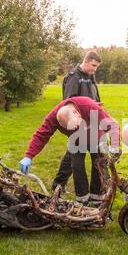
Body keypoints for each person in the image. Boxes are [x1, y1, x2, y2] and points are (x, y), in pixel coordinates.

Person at [19, 97, 119, 206]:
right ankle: (82, 200)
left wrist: (115, 146)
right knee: (77, 166)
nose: (74, 129)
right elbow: (41, 135)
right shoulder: (54, 117)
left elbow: (112, 125)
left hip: (97, 136)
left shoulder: (90, 107)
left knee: (99, 165)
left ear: (76, 112)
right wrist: (28, 156)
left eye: (75, 126)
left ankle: (97, 199)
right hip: (75, 141)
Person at [52, 51, 102, 197]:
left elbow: (94, 97)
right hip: (78, 124)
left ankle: (59, 185)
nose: (95, 69)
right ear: (85, 61)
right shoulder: (74, 77)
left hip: (92, 122)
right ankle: (60, 186)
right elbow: (68, 103)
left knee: (77, 156)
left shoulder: (91, 76)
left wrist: (97, 106)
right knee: (75, 157)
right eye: (93, 65)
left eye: (97, 66)